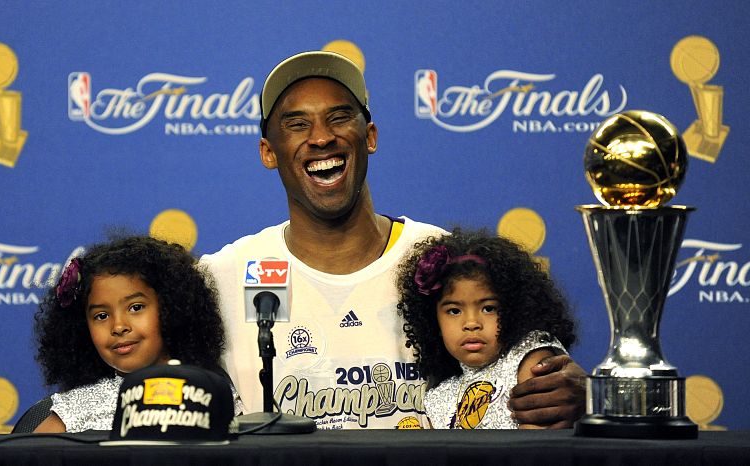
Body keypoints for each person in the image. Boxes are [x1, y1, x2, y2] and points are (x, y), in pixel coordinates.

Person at [200, 50, 585, 430]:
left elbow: (536, 373)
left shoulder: (443, 262)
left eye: (339, 118)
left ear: (370, 136)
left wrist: (567, 389)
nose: (321, 137)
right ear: (268, 152)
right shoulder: (223, 276)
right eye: (297, 124)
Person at [33, 236, 241, 433]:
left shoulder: (212, 395)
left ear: (172, 307)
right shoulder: (74, 410)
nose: (119, 326)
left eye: (135, 307)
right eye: (101, 316)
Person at [396, 228, 576, 429]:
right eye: (454, 311)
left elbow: (538, 444)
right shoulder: (437, 397)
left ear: (514, 310)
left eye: (488, 308)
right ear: (433, 320)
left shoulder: (530, 355)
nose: (471, 323)